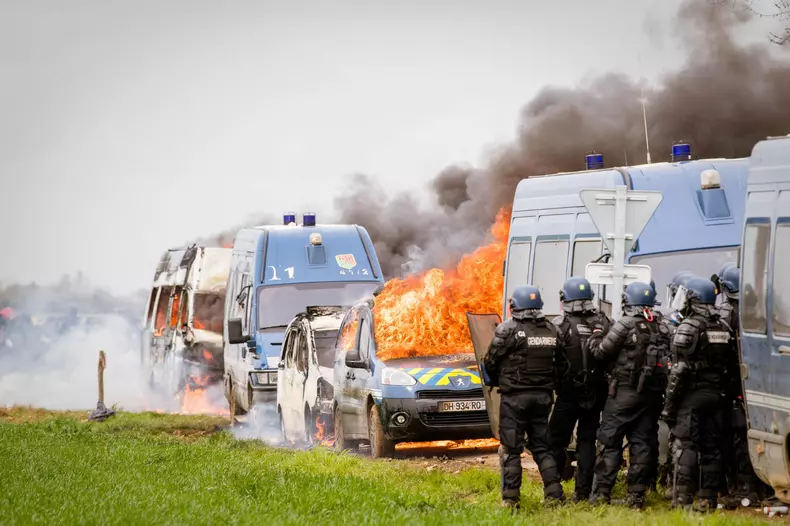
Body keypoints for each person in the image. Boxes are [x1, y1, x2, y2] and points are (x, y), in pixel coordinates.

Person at [483, 285, 568, 509]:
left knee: (511, 449)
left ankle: (511, 499)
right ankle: (554, 495)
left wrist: (498, 380)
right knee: (542, 447)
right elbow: (562, 364)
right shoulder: (552, 329)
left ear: (515, 306)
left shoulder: (508, 329)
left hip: (514, 399)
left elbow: (490, 362)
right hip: (542, 398)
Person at [587, 281, 670, 509]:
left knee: (609, 441)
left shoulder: (625, 324)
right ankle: (637, 497)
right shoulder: (661, 326)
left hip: (623, 393)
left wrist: (595, 336)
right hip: (651, 396)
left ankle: (601, 494)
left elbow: (601, 353)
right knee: (641, 443)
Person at [661, 277, 735, 512]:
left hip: (691, 397)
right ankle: (708, 499)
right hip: (716, 396)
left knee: (685, 446)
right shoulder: (723, 327)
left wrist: (669, 407)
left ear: (693, 299)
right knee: (712, 447)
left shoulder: (689, 327)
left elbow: (678, 371)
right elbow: (731, 366)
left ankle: (682, 500)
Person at [713, 265, 776, 508]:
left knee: (738, 437)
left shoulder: (727, 312)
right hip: (761, 382)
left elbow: (721, 352)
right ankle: (763, 487)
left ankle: (746, 489)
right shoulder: (761, 309)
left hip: (734, 384)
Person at [549, 277, 612, 502]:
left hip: (568, 393)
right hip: (595, 393)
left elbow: (551, 360)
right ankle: (583, 493)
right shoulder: (604, 322)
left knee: (556, 442)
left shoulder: (559, 325)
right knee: (587, 441)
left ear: (565, 298)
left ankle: (554, 490)